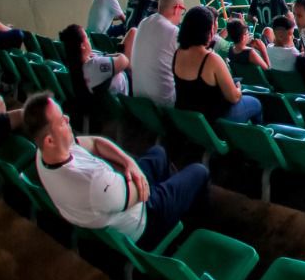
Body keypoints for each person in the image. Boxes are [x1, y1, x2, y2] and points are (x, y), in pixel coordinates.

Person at [28, 93, 210, 249]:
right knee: (199, 171)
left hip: (122, 196)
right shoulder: (92, 181)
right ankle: (189, 228)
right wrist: (136, 173)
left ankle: (175, 207)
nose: (67, 119)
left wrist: (129, 163)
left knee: (158, 153)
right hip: (144, 219)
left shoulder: (43, 154)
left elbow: (95, 143)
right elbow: (141, 193)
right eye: (61, 121)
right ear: (49, 141)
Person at [172, 6, 263, 123]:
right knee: (256, 103)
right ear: (209, 30)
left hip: (193, 121)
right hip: (216, 120)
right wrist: (238, 89)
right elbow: (234, 97)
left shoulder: (178, 53)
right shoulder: (211, 59)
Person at [58, 24, 129, 132]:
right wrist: (113, 55)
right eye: (87, 37)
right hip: (128, 94)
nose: (89, 40)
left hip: (111, 104)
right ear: (82, 45)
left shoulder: (76, 66)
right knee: (132, 32)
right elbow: (124, 61)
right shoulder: (93, 66)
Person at [131, 0, 186, 104]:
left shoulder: (143, 23)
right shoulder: (173, 32)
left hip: (139, 102)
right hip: (164, 104)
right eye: (182, 10)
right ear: (177, 8)